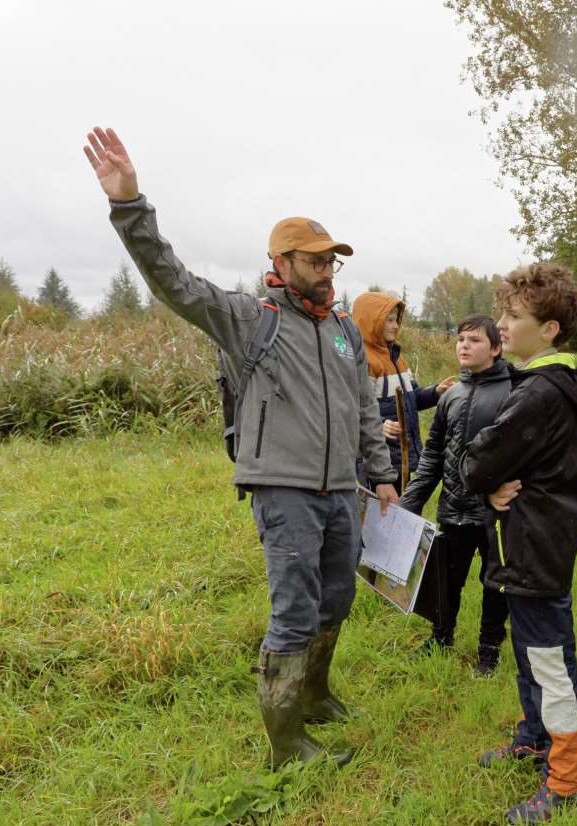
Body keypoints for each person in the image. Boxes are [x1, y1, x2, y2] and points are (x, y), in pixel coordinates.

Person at [82, 127, 398, 770]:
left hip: (342, 489)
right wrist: (130, 206)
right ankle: (287, 746)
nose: (326, 270)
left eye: (331, 260)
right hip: (283, 490)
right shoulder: (252, 320)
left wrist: (382, 472)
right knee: (295, 609)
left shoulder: (341, 331)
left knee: (338, 598)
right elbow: (175, 284)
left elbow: (365, 406)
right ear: (280, 264)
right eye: (313, 260)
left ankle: (314, 695)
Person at [459, 262, 577, 826]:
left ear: (551, 330)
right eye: (504, 314)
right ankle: (536, 737)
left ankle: (567, 781)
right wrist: (491, 489)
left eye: (515, 317)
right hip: (527, 543)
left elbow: (477, 460)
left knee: (549, 660)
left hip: (537, 547)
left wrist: (482, 479)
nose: (503, 325)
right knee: (530, 652)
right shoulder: (541, 382)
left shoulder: (538, 392)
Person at [400, 315, 513, 672]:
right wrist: (412, 500)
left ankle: (489, 648)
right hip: (452, 507)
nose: (464, 345)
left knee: (496, 582)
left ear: (495, 348)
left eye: (474, 340)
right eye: (461, 339)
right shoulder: (452, 395)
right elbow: (433, 452)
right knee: (446, 577)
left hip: (495, 512)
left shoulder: (513, 391)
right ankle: (441, 635)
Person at [351, 291, 455, 488]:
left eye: (396, 320)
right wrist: (381, 425)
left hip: (402, 456)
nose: (396, 326)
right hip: (376, 459)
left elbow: (412, 399)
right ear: (372, 321)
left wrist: (436, 392)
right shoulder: (364, 362)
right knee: (380, 516)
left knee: (400, 515)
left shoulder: (397, 358)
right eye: (389, 320)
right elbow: (354, 408)